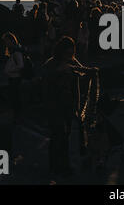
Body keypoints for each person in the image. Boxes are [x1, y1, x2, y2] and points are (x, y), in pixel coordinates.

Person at [41, 36, 98, 176]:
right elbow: (49, 79)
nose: (70, 53)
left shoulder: (71, 61)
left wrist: (91, 71)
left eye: (71, 51)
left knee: (65, 137)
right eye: (68, 51)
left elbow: (80, 70)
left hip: (69, 105)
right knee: (57, 137)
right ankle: (55, 166)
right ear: (61, 50)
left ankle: (63, 166)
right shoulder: (52, 64)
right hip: (54, 105)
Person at [2, 32, 24, 123]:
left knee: (15, 98)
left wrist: (10, 70)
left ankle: (17, 117)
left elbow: (21, 65)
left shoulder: (16, 52)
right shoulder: (13, 51)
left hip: (15, 78)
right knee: (14, 97)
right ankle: (16, 116)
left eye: (7, 41)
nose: (6, 43)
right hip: (13, 78)